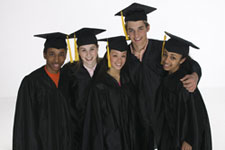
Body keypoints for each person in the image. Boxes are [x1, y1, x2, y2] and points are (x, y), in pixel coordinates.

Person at [115, 2, 202, 150]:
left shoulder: (161, 49)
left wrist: (195, 75)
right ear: (126, 31)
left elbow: (189, 63)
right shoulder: (122, 55)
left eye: (140, 29)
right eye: (131, 30)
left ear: (148, 28)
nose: (136, 35)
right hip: (137, 121)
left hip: (165, 118)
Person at [13, 32, 72, 150]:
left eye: (61, 54)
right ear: (44, 54)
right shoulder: (31, 82)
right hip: (40, 145)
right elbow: (24, 122)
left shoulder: (68, 80)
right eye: (51, 54)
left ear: (65, 55)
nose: (57, 59)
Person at [153, 32, 212, 150]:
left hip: (182, 140)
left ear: (182, 60)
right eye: (165, 54)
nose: (166, 60)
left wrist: (189, 140)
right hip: (170, 135)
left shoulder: (185, 82)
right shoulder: (166, 78)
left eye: (173, 57)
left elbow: (197, 113)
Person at [82, 36, 136, 150]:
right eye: (115, 55)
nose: (119, 60)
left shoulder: (128, 81)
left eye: (123, 56)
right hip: (109, 143)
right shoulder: (99, 85)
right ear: (108, 55)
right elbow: (95, 122)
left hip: (128, 140)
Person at [62, 28, 106, 150]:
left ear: (97, 48)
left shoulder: (106, 68)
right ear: (78, 51)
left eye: (92, 49)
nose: (88, 54)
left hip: (104, 130)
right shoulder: (69, 72)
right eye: (83, 50)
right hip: (80, 131)